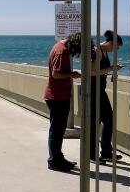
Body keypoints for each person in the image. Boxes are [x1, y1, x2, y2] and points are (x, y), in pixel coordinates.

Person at [45, 32, 82, 172]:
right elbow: (56, 73)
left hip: (58, 96)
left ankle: (58, 158)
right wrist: (72, 74)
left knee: (58, 130)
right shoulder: (62, 51)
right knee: (56, 131)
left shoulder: (59, 46)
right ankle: (54, 161)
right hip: (57, 97)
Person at [88, 31, 124, 165]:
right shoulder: (97, 50)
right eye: (116, 47)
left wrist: (112, 69)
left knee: (109, 119)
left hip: (100, 90)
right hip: (93, 90)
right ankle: (92, 155)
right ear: (111, 43)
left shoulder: (104, 51)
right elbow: (92, 71)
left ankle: (106, 152)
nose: (115, 50)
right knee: (94, 123)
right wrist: (111, 68)